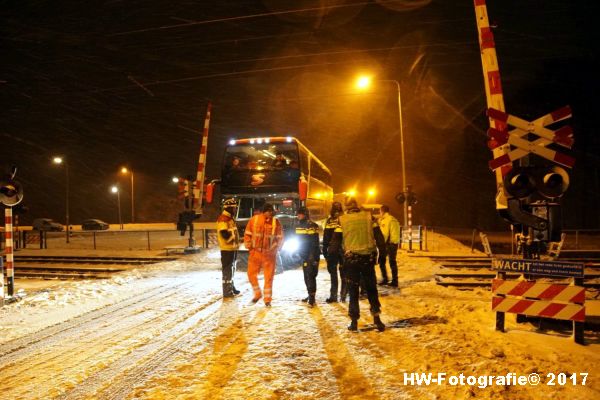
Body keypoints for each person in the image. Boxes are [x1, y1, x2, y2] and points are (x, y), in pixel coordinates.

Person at [339, 198, 385, 332]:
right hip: (368, 259)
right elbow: (379, 238)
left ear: (347, 208)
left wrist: (336, 258)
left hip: (351, 260)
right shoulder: (369, 217)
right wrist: (382, 255)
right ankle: (377, 319)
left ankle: (354, 322)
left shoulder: (342, 220)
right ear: (357, 206)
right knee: (371, 289)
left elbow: (335, 242)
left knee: (353, 291)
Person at [243, 203, 284, 306]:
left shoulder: (276, 222)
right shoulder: (254, 219)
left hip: (269, 255)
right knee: (251, 275)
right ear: (264, 211)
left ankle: (267, 299)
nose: (270, 214)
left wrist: (277, 248)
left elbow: (280, 236)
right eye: (269, 211)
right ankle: (257, 294)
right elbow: (248, 233)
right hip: (255, 253)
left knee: (269, 278)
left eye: (271, 212)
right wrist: (249, 247)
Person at [295, 207, 320, 306]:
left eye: (300, 214)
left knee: (310, 276)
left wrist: (312, 256)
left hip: (311, 255)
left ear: (305, 214)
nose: (298, 216)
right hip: (304, 255)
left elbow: (314, 243)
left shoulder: (312, 225)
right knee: (306, 277)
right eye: (298, 214)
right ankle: (310, 294)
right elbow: (299, 240)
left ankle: (312, 298)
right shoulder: (298, 225)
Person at [216, 198, 241, 298]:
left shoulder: (229, 218)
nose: (235, 210)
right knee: (227, 270)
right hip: (227, 249)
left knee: (231, 269)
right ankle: (227, 291)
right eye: (234, 208)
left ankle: (231, 287)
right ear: (229, 208)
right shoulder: (224, 219)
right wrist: (232, 240)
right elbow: (224, 233)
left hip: (232, 248)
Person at [322, 202, 345, 303]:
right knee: (344, 272)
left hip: (333, 250)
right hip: (344, 249)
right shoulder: (345, 219)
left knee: (333, 273)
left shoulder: (330, 220)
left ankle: (333, 295)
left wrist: (325, 249)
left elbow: (326, 236)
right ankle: (343, 295)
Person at [378, 205, 401, 287]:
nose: (379, 213)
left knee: (381, 261)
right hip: (394, 243)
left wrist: (380, 244)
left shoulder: (386, 220)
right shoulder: (393, 219)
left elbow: (384, 234)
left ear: (382, 211)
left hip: (388, 244)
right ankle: (395, 280)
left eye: (380, 211)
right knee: (392, 262)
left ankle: (385, 279)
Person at [372, 215, 388, 285]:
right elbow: (380, 240)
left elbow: (379, 240)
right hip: (374, 248)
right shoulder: (375, 227)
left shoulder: (374, 227)